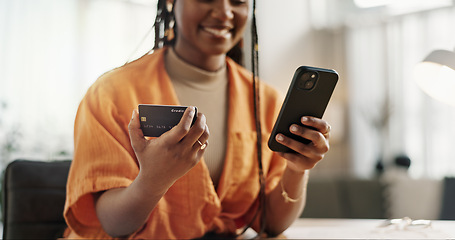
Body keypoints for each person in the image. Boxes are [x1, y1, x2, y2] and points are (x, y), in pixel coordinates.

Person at [63, 0, 332, 239]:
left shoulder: (265, 100)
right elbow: (114, 225)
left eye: (238, 1)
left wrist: (297, 170)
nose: (224, 12)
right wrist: (151, 181)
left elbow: (272, 224)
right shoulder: (111, 93)